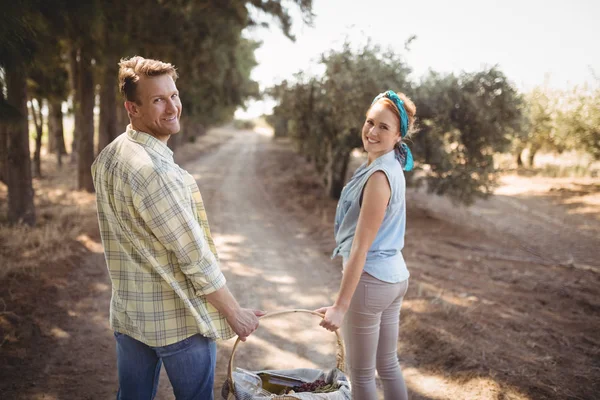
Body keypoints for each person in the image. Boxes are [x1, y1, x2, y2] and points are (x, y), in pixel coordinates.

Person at [91, 56, 264, 400]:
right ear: (132, 108)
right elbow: (194, 257)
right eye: (158, 99)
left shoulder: (109, 156)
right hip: (178, 321)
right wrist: (235, 313)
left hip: (130, 316)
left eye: (174, 95)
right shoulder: (155, 172)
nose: (172, 107)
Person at [315, 90, 416, 400]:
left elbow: (360, 247)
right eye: (370, 122)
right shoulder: (389, 166)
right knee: (387, 364)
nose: (372, 131)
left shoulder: (379, 177)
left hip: (371, 283)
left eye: (384, 127)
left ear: (399, 135)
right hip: (394, 278)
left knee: (360, 374)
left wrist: (341, 306)